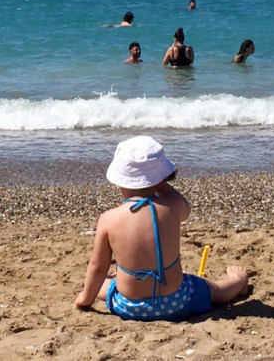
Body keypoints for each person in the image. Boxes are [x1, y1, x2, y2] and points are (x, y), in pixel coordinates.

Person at [75, 136, 249, 320]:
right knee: (216, 289)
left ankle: (101, 290)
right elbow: (185, 209)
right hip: (177, 301)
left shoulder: (109, 219)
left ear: (119, 180)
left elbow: (97, 266)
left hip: (128, 307)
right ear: (161, 180)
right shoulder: (172, 206)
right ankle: (239, 281)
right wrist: (158, 182)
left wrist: (85, 299)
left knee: (100, 282)